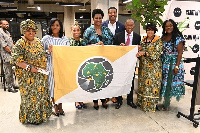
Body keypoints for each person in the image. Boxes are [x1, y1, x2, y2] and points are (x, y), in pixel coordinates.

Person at [10, 19, 52, 124]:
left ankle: (41, 116)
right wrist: (30, 68)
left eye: (33, 31)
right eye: (28, 30)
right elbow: (17, 60)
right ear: (24, 31)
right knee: (30, 97)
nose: (31, 33)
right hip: (27, 77)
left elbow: (41, 54)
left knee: (41, 95)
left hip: (40, 75)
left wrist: (48, 52)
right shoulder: (20, 43)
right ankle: (32, 118)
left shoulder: (37, 41)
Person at [82, 9, 113, 110]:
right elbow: (83, 45)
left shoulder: (106, 30)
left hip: (105, 60)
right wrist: (95, 45)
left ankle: (104, 100)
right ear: (93, 19)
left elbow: (112, 42)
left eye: (100, 18)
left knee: (103, 80)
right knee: (94, 81)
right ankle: (95, 101)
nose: (98, 20)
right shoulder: (88, 31)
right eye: (96, 18)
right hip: (93, 60)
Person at [42, 18, 69, 116]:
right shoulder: (46, 39)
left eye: (57, 25)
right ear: (50, 26)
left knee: (60, 86)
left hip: (61, 67)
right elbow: (41, 54)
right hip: (50, 66)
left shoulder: (65, 39)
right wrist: (48, 51)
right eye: (53, 25)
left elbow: (68, 53)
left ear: (60, 27)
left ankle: (60, 105)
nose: (55, 27)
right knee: (52, 87)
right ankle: (55, 106)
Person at [113, 19, 141, 109]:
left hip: (131, 64)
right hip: (120, 63)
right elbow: (113, 48)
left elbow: (139, 50)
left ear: (133, 26)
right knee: (120, 81)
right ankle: (119, 100)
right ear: (125, 26)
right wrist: (119, 47)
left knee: (131, 81)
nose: (129, 27)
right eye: (128, 25)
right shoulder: (118, 36)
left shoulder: (137, 37)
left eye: (131, 25)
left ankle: (130, 100)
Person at [136, 23, 162, 112]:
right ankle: (142, 104)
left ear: (154, 31)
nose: (150, 32)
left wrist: (145, 53)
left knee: (152, 86)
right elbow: (140, 53)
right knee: (143, 85)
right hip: (143, 68)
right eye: (148, 30)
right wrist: (138, 51)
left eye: (151, 30)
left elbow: (157, 54)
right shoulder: (143, 40)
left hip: (154, 68)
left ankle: (150, 106)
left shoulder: (158, 40)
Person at [160, 19, 185, 111]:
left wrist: (177, 66)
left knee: (169, 84)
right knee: (164, 83)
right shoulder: (163, 37)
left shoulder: (178, 38)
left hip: (173, 63)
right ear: (164, 28)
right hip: (164, 62)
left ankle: (166, 103)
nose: (169, 27)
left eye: (170, 25)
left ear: (173, 26)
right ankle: (164, 101)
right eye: (166, 26)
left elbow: (180, 53)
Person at [102, 7, 125, 103]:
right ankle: (106, 95)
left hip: (117, 54)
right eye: (110, 12)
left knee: (115, 75)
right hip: (105, 53)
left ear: (116, 14)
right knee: (106, 74)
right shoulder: (103, 25)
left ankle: (115, 96)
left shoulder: (121, 26)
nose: (112, 14)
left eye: (114, 12)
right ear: (108, 14)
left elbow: (123, 37)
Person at [69, 21, 87, 109]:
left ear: (80, 31)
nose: (76, 32)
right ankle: (76, 101)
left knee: (81, 83)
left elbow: (88, 48)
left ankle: (81, 100)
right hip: (73, 65)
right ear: (71, 31)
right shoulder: (68, 41)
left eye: (78, 30)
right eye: (74, 30)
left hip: (82, 64)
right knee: (75, 84)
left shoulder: (83, 41)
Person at [0, 20, 18, 93]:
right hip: (6, 54)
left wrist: (15, 49)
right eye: (5, 24)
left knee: (12, 70)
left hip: (11, 53)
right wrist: (11, 51)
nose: (7, 26)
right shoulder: (0, 32)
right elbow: (4, 45)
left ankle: (13, 84)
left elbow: (11, 42)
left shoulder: (7, 32)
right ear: (1, 25)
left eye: (7, 24)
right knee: (8, 71)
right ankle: (9, 87)